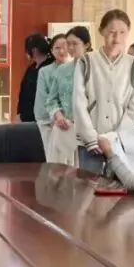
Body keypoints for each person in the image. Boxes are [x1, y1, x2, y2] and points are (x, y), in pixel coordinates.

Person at [73, 9, 134, 174]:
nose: (117, 38)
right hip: (89, 143)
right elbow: (79, 102)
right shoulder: (86, 61)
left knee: (119, 188)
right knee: (88, 186)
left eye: (122, 32)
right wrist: (91, 138)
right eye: (112, 32)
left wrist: (114, 138)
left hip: (120, 142)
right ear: (102, 31)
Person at [44, 27, 90, 165]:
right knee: (60, 173)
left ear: (86, 45)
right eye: (68, 44)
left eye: (74, 44)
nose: (70, 48)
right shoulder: (62, 70)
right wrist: (58, 116)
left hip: (88, 131)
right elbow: (51, 100)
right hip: (65, 129)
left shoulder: (96, 69)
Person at [33, 34, 67, 150]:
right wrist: (55, 117)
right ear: (51, 51)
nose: (61, 51)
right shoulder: (44, 72)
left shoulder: (78, 68)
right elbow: (42, 99)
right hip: (50, 124)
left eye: (65, 46)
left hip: (73, 124)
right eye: (57, 48)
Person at [17, 34, 54, 122]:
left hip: (43, 117)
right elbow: (23, 93)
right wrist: (20, 114)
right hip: (26, 116)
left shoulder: (50, 68)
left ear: (34, 50)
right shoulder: (31, 68)